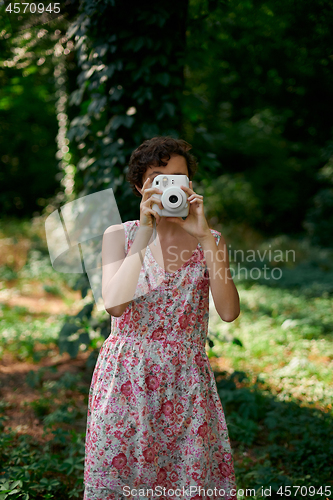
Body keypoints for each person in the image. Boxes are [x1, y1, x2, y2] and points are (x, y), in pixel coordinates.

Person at [83, 136, 240, 500]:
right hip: (126, 380)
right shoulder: (118, 235)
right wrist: (145, 233)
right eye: (158, 178)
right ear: (140, 186)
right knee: (121, 481)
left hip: (186, 383)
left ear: (190, 186)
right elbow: (116, 305)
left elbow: (229, 312)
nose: (169, 187)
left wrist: (204, 238)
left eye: (179, 178)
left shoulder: (211, 240)